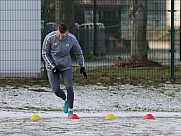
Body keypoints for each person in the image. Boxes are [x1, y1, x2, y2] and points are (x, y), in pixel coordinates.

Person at [42, 23, 87, 118]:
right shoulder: (49, 38)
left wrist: (82, 66)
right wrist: (53, 66)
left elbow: (79, 52)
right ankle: (66, 99)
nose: (61, 37)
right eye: (59, 35)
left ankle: (70, 109)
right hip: (52, 67)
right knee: (56, 90)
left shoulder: (72, 39)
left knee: (69, 86)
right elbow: (45, 53)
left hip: (66, 66)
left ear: (67, 32)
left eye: (63, 36)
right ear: (57, 31)